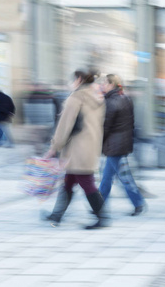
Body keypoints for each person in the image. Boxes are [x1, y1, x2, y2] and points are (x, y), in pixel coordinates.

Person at [43, 69, 107, 229]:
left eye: (72, 80)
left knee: (86, 182)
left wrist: (54, 147)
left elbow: (64, 125)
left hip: (77, 148)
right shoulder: (98, 97)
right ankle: (56, 216)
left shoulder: (76, 97)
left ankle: (103, 217)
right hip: (89, 146)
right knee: (68, 182)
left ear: (79, 79)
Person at [98, 74, 146, 216]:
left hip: (114, 145)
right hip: (121, 143)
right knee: (107, 177)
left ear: (112, 84)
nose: (102, 85)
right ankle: (99, 205)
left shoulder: (112, 102)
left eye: (105, 83)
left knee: (124, 177)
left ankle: (138, 202)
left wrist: (98, 143)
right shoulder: (125, 98)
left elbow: (106, 126)